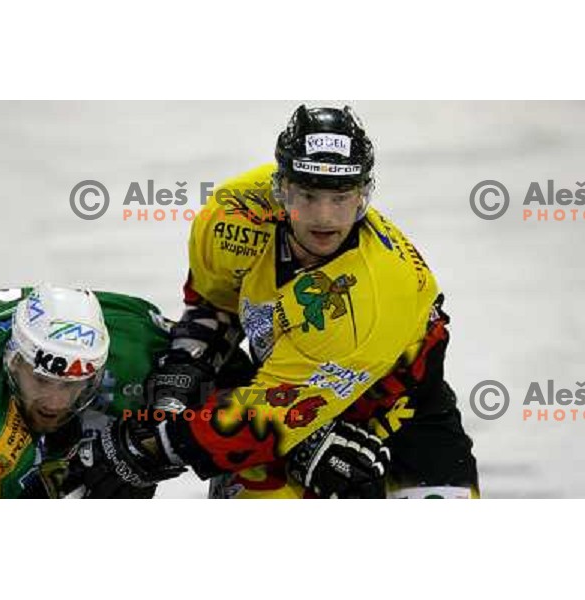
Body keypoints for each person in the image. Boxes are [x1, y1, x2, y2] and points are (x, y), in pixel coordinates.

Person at [84, 104, 479, 499]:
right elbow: (216, 305)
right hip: (281, 393)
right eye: (307, 195)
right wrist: (184, 372)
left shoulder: (373, 294)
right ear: (281, 189)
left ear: (363, 197)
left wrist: (145, 448)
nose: (324, 218)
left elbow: (263, 420)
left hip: (399, 416)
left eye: (340, 198)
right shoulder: (232, 216)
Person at [0, 284, 173, 498]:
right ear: (15, 362)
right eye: (41, 380)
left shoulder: (136, 344)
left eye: (71, 384)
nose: (56, 403)